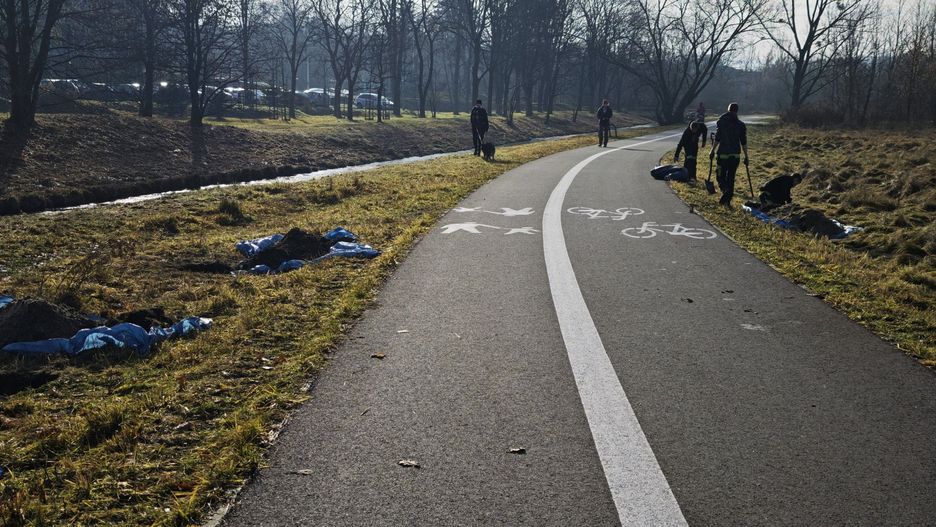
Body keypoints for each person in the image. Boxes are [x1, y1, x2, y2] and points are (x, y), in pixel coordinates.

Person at [708, 102, 748, 206]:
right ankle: (727, 201)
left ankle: (726, 191)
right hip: (735, 156)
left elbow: (718, 137)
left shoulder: (722, 122)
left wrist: (712, 150)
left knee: (720, 177)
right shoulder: (740, 125)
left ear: (728, 109)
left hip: (723, 155)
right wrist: (746, 156)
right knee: (731, 178)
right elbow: (743, 142)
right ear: (737, 111)